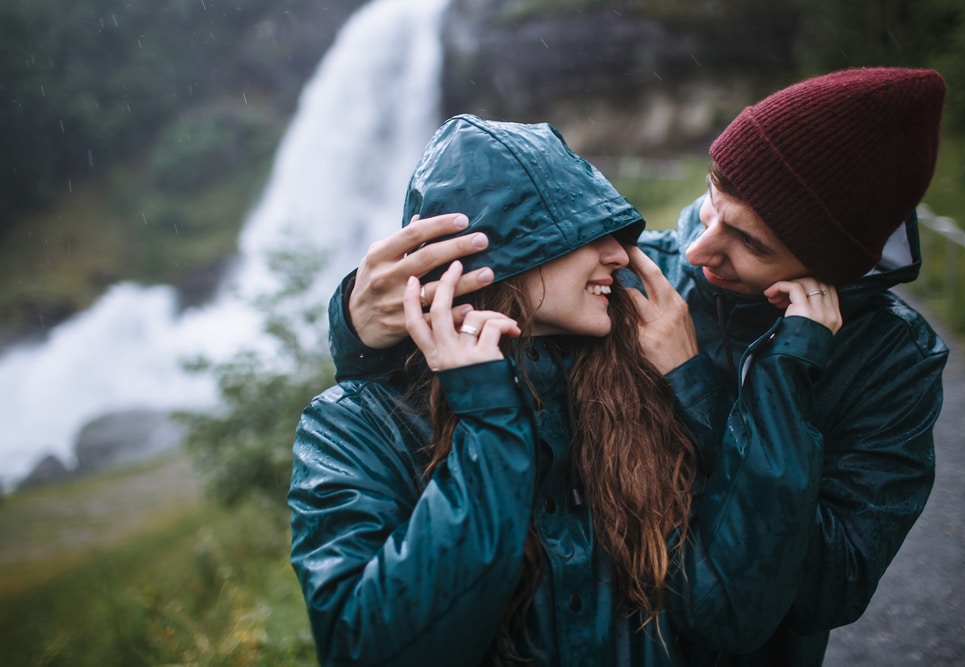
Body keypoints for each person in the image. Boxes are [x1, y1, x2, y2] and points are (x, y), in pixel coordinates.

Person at [322, 67, 950, 666]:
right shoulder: (641, 278)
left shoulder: (894, 361)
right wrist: (358, 326)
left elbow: (825, 589)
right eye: (714, 198)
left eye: (751, 243)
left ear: (829, 264)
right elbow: (490, 342)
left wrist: (705, 387)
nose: (697, 247)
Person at [290, 115, 710, 666]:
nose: (620, 255)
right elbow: (366, 648)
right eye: (586, 233)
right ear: (494, 259)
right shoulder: (352, 425)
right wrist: (488, 418)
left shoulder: (636, 376)